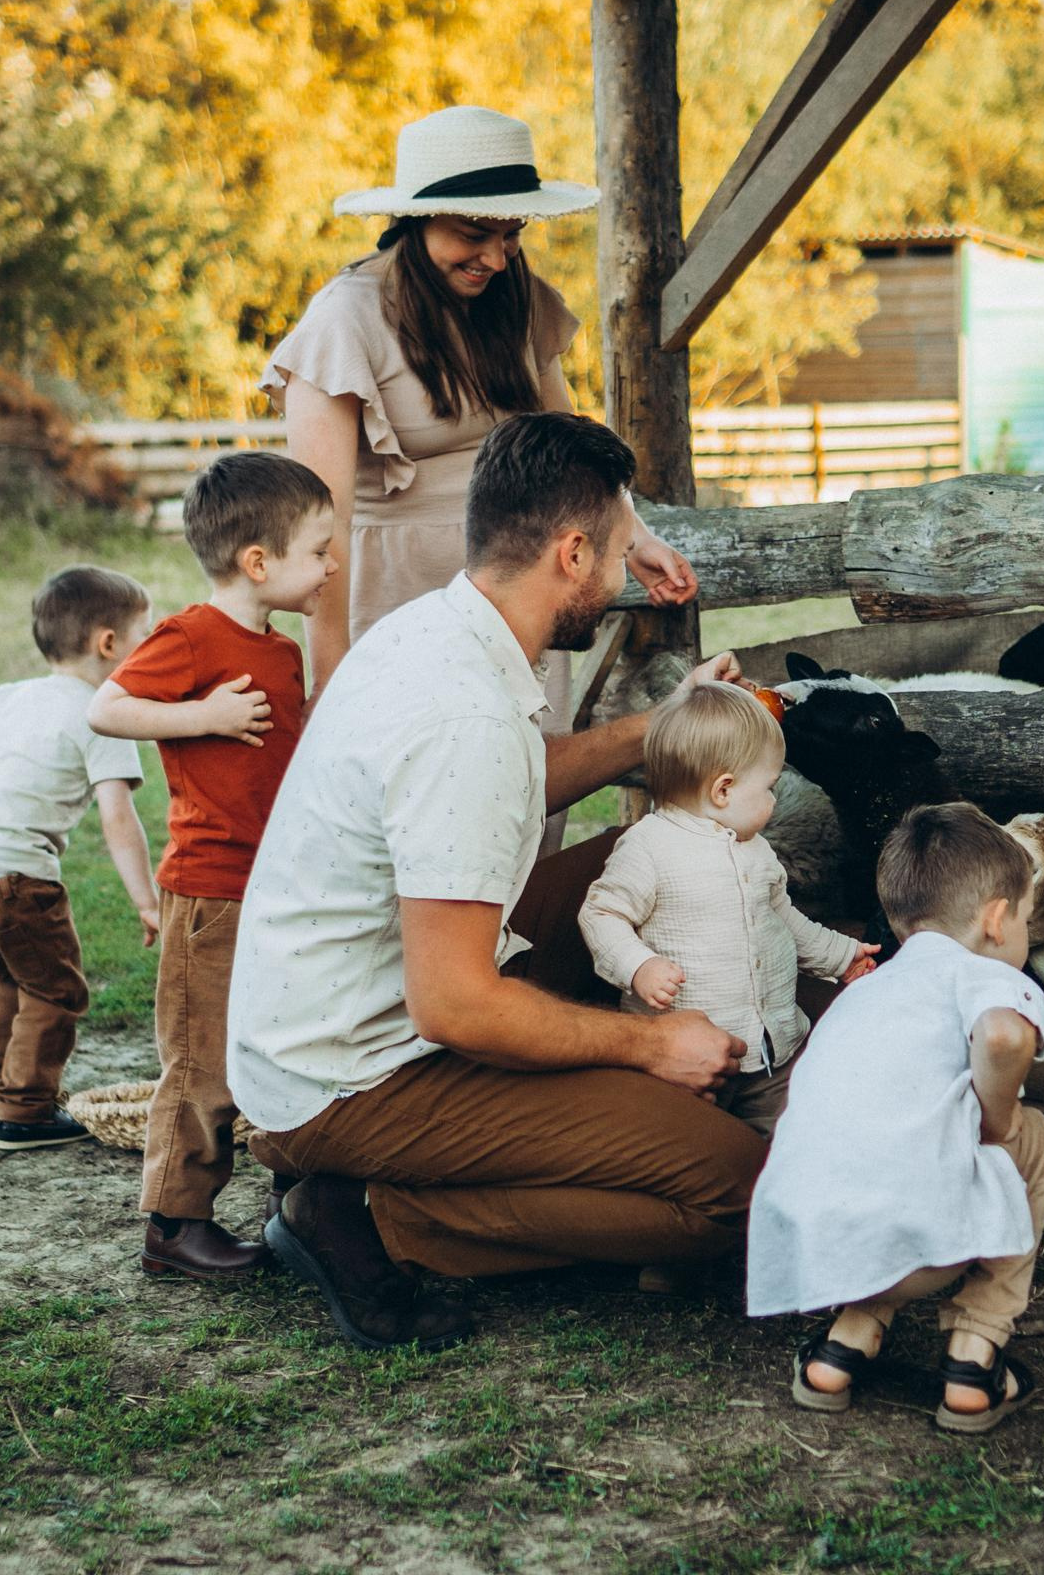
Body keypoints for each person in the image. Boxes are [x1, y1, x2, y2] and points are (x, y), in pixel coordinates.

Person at [229, 411, 757, 1352]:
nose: (621, 575)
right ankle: (376, 1214)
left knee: (678, 856)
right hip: (352, 1074)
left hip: (356, 1008)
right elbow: (458, 1009)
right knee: (733, 1190)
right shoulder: (461, 713)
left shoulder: (438, 631)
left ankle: (456, 1163)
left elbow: (513, 777)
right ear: (570, 552)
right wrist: (648, 1049)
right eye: (618, 551)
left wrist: (657, 727)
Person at [263, 105, 695, 722]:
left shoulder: (516, 296)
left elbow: (568, 449)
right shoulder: (345, 320)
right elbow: (320, 520)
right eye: (473, 233)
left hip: (519, 584)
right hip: (399, 593)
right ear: (416, 220)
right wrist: (331, 675)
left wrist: (635, 538)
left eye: (512, 233)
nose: (496, 258)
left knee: (526, 778)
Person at [86, 453, 338, 1280]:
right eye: (319, 551)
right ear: (258, 562)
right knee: (203, 1061)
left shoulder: (283, 650)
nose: (333, 566)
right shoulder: (193, 636)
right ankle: (173, 1223)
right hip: (210, 887)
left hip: (272, 884)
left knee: (278, 1043)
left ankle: (292, 1201)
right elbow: (107, 705)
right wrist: (203, 715)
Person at [747, 803, 1044, 1435]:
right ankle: (975, 1356)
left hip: (818, 1243)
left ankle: (843, 1346)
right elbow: (1005, 1038)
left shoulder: (866, 993)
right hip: (920, 1244)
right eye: (1029, 921)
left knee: (893, 1146)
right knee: (1040, 1144)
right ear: (997, 920)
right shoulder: (981, 976)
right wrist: (999, 1122)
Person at [0, 566, 157, 1153]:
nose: (152, 645)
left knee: (13, 976)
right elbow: (118, 819)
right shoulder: (104, 713)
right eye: (147, 633)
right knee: (55, 990)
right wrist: (146, 900)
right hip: (16, 882)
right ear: (109, 644)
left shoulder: (9, 697)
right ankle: (25, 1112)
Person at [576, 681, 877, 1137]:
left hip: (772, 1053)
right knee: (693, 1143)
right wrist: (638, 966)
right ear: (723, 789)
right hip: (684, 1064)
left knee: (795, 1136)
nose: (774, 802)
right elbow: (601, 914)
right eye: (770, 787)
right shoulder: (648, 848)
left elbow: (784, 918)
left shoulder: (755, 851)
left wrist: (840, 956)